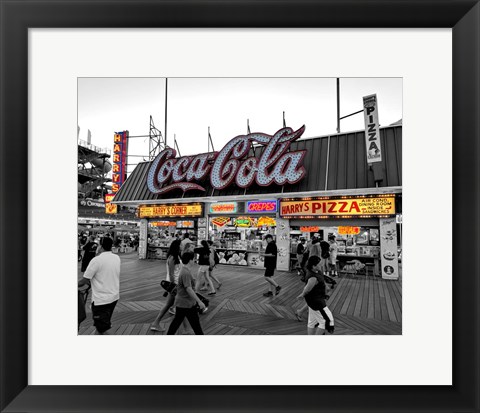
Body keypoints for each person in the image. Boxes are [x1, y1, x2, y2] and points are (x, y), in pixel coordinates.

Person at [78, 236, 121, 335]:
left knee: (103, 329)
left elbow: (84, 280)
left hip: (101, 300)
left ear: (101, 246)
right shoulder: (116, 258)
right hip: (114, 297)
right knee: (100, 326)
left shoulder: (96, 260)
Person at [167, 252, 206, 335]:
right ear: (190, 260)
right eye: (194, 259)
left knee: (179, 323)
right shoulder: (185, 272)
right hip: (185, 303)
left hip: (186, 303)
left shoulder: (185, 270)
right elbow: (188, 289)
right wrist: (199, 301)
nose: (195, 260)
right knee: (193, 324)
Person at [297, 255, 334, 335]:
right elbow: (307, 289)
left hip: (314, 299)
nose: (321, 265)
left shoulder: (317, 271)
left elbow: (322, 280)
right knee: (327, 321)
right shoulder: (312, 277)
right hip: (316, 301)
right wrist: (302, 294)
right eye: (319, 264)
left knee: (312, 322)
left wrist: (326, 288)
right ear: (314, 266)